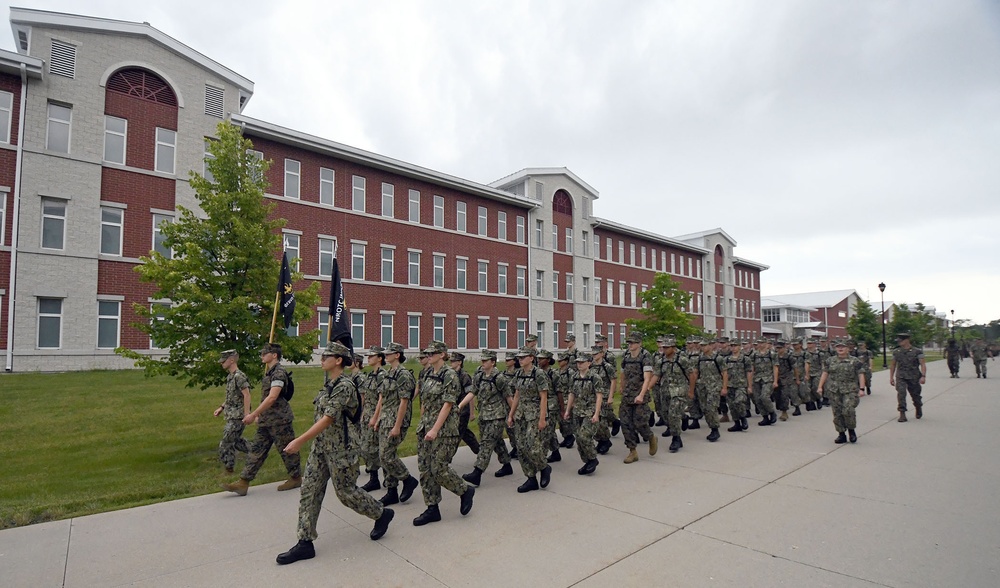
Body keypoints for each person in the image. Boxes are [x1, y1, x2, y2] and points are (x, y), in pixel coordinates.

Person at [275, 342, 394, 565]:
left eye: (325, 356)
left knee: (346, 493)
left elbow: (328, 418)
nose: (321, 360)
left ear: (338, 360)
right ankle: (305, 542)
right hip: (321, 449)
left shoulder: (345, 386)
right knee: (309, 492)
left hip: (342, 451)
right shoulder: (328, 384)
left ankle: (380, 513)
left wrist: (299, 441)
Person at [223, 343, 300, 496]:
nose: (262, 355)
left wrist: (253, 414)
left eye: (265, 353)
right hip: (267, 420)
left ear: (274, 355)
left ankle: (296, 477)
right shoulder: (269, 372)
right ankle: (243, 482)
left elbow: (272, 398)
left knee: (287, 450)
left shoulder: (278, 373)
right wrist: (259, 415)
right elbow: (266, 397)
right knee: (256, 450)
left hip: (279, 420)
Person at [411, 341, 475, 525]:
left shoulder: (450, 375)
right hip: (426, 427)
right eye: (427, 353)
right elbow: (425, 401)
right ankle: (432, 508)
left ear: (442, 355)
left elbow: (448, 404)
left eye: (433, 353)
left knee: (439, 469)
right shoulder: (429, 374)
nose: (428, 356)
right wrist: (424, 424)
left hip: (444, 429)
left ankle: (464, 490)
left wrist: (435, 429)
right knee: (425, 469)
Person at [373, 342, 420, 506]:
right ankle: (391, 491)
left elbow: (404, 402)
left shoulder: (403, 375)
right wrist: (378, 418)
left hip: (396, 420)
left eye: (389, 353)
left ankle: (408, 479)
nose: (386, 355)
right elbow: (384, 398)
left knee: (387, 454)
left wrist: (397, 426)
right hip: (385, 418)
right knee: (383, 455)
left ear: (397, 355)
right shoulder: (388, 373)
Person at [460, 349, 515, 485]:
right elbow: (473, 392)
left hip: (497, 416)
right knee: (497, 442)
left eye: (485, 361)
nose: (482, 363)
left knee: (486, 443)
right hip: (484, 416)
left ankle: (477, 472)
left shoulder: (499, 378)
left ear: (493, 362)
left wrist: (513, 415)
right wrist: (460, 405)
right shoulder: (480, 376)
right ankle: (507, 465)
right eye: (482, 360)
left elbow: (509, 398)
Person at [507, 347, 553, 492]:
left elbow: (544, 397)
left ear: (531, 358)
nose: (520, 360)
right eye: (519, 358)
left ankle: (544, 467)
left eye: (523, 357)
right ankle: (530, 478)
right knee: (521, 447)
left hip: (534, 413)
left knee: (532, 446)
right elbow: (517, 395)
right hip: (521, 414)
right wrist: (511, 415)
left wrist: (542, 418)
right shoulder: (519, 373)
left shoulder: (538, 373)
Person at [563, 352, 605, 475]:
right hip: (577, 411)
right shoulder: (574, 376)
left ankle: (593, 459)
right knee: (578, 438)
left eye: (582, 362)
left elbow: (599, 396)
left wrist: (596, 414)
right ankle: (587, 461)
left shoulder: (594, 377)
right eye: (578, 362)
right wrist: (567, 410)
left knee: (584, 436)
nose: (579, 364)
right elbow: (571, 394)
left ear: (589, 363)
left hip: (590, 411)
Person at [619, 332, 657, 463]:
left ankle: (650, 437)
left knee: (639, 422)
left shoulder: (645, 356)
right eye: (629, 342)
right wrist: (622, 386)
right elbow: (623, 373)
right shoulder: (626, 356)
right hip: (627, 395)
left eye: (633, 342)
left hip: (640, 395)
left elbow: (647, 378)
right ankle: (632, 451)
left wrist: (641, 394)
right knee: (625, 423)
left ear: (640, 343)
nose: (630, 345)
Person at [817, 340, 865, 444]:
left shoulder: (855, 361)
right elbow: (825, 373)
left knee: (848, 410)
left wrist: (862, 389)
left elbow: (861, 374)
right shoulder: (830, 360)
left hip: (850, 389)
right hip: (834, 390)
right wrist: (820, 387)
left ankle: (851, 431)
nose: (840, 348)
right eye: (838, 347)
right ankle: (841, 434)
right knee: (837, 412)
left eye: (843, 347)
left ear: (848, 348)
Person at [655, 337, 696, 452]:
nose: (664, 349)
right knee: (665, 414)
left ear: (673, 348)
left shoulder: (682, 360)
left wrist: (691, 391)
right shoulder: (661, 361)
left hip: (679, 391)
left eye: (667, 347)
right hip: (666, 391)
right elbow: (656, 375)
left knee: (673, 414)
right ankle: (684, 417)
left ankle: (676, 439)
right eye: (663, 347)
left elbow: (691, 375)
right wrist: (647, 388)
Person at [215, 350, 251, 473]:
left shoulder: (239, 376)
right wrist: (221, 407)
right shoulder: (230, 377)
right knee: (236, 441)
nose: (221, 363)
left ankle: (229, 468)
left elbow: (246, 395)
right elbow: (231, 396)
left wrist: (247, 414)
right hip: (231, 414)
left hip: (238, 416)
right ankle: (256, 452)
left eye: (223, 361)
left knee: (225, 442)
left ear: (231, 360)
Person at [359, 346, 386, 492]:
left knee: (377, 450)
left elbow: (381, 399)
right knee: (366, 449)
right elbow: (367, 397)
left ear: (379, 358)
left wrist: (375, 417)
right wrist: (364, 414)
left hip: (377, 416)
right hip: (367, 415)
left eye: (371, 356)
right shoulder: (370, 375)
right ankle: (374, 478)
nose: (368, 358)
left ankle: (391, 480)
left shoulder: (382, 375)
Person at [695, 339, 729, 441]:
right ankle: (711, 426)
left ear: (710, 346)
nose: (702, 347)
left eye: (704, 345)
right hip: (702, 387)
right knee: (705, 408)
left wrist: (724, 387)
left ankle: (715, 429)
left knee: (711, 408)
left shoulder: (717, 358)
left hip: (714, 386)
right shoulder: (699, 358)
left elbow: (725, 373)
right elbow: (696, 372)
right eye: (701, 346)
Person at [450, 352, 482, 456]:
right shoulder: (451, 374)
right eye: (450, 361)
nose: (451, 363)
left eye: (453, 361)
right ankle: (481, 453)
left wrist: (472, 413)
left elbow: (471, 395)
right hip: (454, 409)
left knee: (456, 435)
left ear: (459, 362)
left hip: (463, 411)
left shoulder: (464, 376)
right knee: (466, 434)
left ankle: (446, 458)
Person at [889, 333, 926, 422]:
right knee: (901, 394)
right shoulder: (896, 352)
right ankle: (902, 413)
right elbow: (893, 365)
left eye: (900, 341)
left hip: (914, 376)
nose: (899, 342)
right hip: (901, 376)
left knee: (915, 395)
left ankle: (918, 406)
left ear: (907, 340)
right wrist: (891, 377)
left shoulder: (917, 351)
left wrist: (923, 376)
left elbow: (923, 364)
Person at [724, 340, 753, 432]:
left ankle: (743, 418)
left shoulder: (745, 359)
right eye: (731, 346)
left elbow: (749, 373)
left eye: (735, 345)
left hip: (741, 385)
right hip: (730, 385)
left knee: (739, 402)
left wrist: (749, 386)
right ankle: (736, 423)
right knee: (732, 405)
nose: (733, 348)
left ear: (739, 346)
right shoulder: (727, 359)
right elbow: (724, 374)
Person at [751, 339, 779, 426]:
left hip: (768, 378)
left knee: (764, 397)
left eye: (762, 342)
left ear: (766, 344)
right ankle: (765, 417)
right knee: (757, 399)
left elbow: (775, 367)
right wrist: (750, 382)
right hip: (757, 379)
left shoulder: (772, 354)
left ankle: (772, 412)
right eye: (759, 342)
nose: (761, 344)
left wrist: (775, 381)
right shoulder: (754, 355)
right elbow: (752, 368)